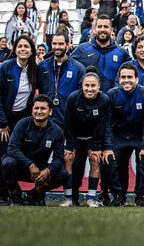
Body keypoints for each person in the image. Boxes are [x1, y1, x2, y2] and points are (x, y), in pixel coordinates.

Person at [0, 36, 38, 205]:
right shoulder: (6, 68)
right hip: (1, 120)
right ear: (15, 49)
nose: (23, 49)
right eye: (20, 46)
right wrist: (2, 123)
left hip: (18, 120)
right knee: (4, 156)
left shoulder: (33, 70)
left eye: (26, 47)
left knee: (14, 156)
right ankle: (2, 196)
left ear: (31, 51)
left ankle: (13, 193)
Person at [2, 95, 68, 206]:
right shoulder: (22, 124)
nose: (39, 111)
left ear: (50, 111)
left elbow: (58, 158)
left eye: (43, 108)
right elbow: (12, 148)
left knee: (63, 174)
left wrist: (48, 170)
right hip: (21, 166)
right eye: (36, 108)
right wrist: (30, 165)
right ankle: (14, 196)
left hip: (40, 170)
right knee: (8, 162)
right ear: (32, 110)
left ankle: (32, 195)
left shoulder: (57, 131)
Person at [61, 69, 112, 207]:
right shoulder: (73, 98)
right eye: (87, 86)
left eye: (93, 86)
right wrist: (70, 145)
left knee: (95, 159)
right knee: (68, 159)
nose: (90, 89)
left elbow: (103, 124)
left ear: (99, 86)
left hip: (93, 137)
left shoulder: (104, 99)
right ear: (82, 86)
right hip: (75, 137)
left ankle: (91, 198)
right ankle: (69, 198)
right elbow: (67, 123)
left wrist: (96, 146)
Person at [105, 64, 144, 207]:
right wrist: (108, 146)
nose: (126, 80)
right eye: (123, 77)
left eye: (130, 77)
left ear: (137, 79)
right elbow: (107, 123)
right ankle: (119, 196)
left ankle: (142, 197)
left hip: (138, 135)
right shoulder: (112, 94)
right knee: (112, 161)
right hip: (118, 135)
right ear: (119, 79)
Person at [36, 33, 85, 127]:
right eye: (54, 44)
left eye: (61, 44)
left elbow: (81, 96)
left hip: (68, 121)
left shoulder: (78, 68)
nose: (57, 47)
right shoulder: (42, 66)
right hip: (46, 121)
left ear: (67, 45)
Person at [71, 15, 131, 92]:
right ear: (95, 29)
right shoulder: (82, 49)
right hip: (88, 100)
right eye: (99, 26)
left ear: (111, 29)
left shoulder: (122, 53)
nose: (102, 29)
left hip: (112, 101)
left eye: (106, 27)